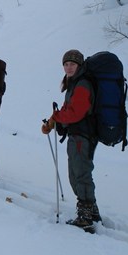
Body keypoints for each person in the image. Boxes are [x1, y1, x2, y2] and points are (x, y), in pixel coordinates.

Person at [41, 49, 102, 228]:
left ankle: (85, 217)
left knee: (80, 174)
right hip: (78, 134)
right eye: (66, 64)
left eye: (72, 64)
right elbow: (71, 109)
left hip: (83, 136)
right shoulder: (74, 83)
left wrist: (56, 118)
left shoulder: (82, 84)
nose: (68, 67)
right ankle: (92, 212)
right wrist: (54, 119)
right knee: (77, 173)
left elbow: (76, 113)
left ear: (80, 65)